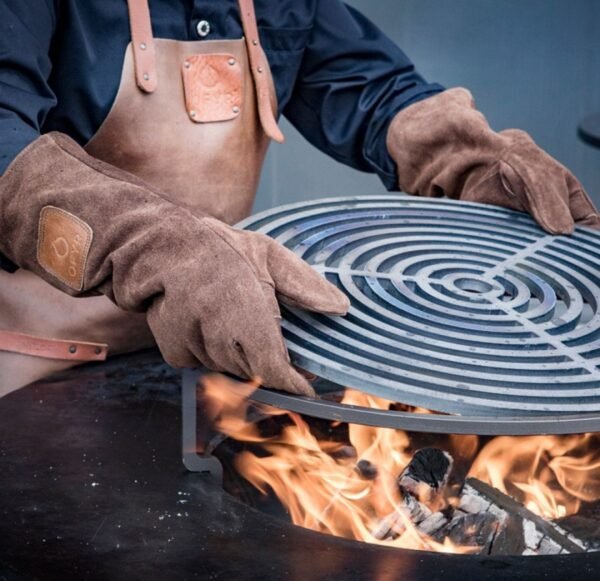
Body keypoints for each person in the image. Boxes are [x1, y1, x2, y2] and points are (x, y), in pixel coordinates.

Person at [0, 0, 598, 399]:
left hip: (221, 352)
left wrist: (463, 154)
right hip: (37, 361)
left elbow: (372, 90)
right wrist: (155, 246)